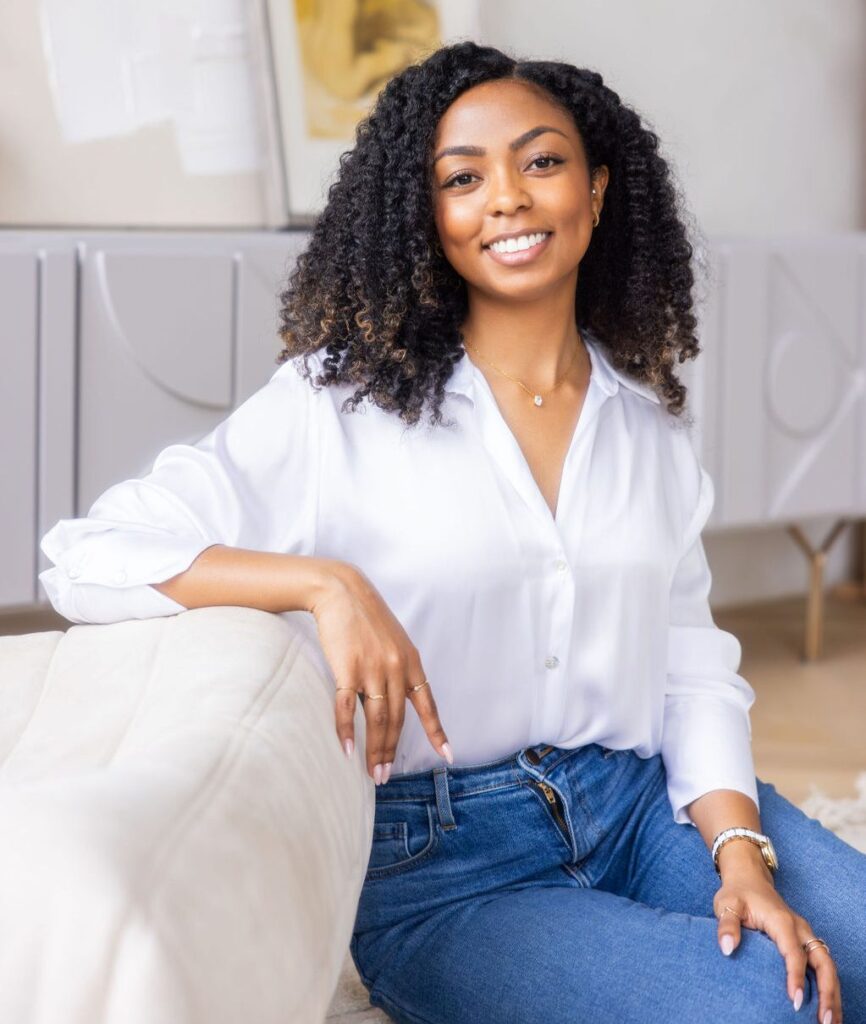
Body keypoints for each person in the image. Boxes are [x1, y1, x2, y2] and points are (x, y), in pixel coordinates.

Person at [39, 40, 863, 1024]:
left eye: (540, 161)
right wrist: (322, 584)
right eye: (462, 178)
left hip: (640, 803)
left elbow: (689, 667)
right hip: (442, 869)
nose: (506, 197)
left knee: (843, 956)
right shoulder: (335, 405)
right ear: (428, 218)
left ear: (595, 191)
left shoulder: (643, 428)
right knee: (765, 1007)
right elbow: (85, 555)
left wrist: (740, 856)